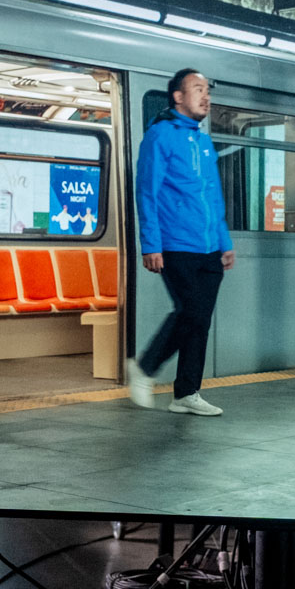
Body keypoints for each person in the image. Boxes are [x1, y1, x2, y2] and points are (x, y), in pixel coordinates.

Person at [125, 67, 235, 416]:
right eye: (198, 89)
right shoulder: (160, 136)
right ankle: (144, 368)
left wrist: (224, 241)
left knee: (200, 320)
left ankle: (186, 393)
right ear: (178, 97)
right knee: (189, 311)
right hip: (175, 245)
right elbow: (147, 192)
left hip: (209, 249)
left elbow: (213, 196)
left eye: (207, 91)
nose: (206, 97)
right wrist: (150, 244)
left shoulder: (203, 141)